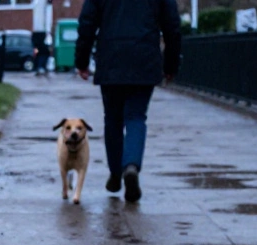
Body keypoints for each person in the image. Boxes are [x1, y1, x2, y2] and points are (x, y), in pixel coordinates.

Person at [76, 0, 182, 202]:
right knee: (136, 117)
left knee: (113, 120)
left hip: (111, 58)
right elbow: (172, 26)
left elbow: (87, 23)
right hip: (144, 57)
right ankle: (131, 166)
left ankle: (116, 173)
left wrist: (82, 60)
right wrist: (171, 65)